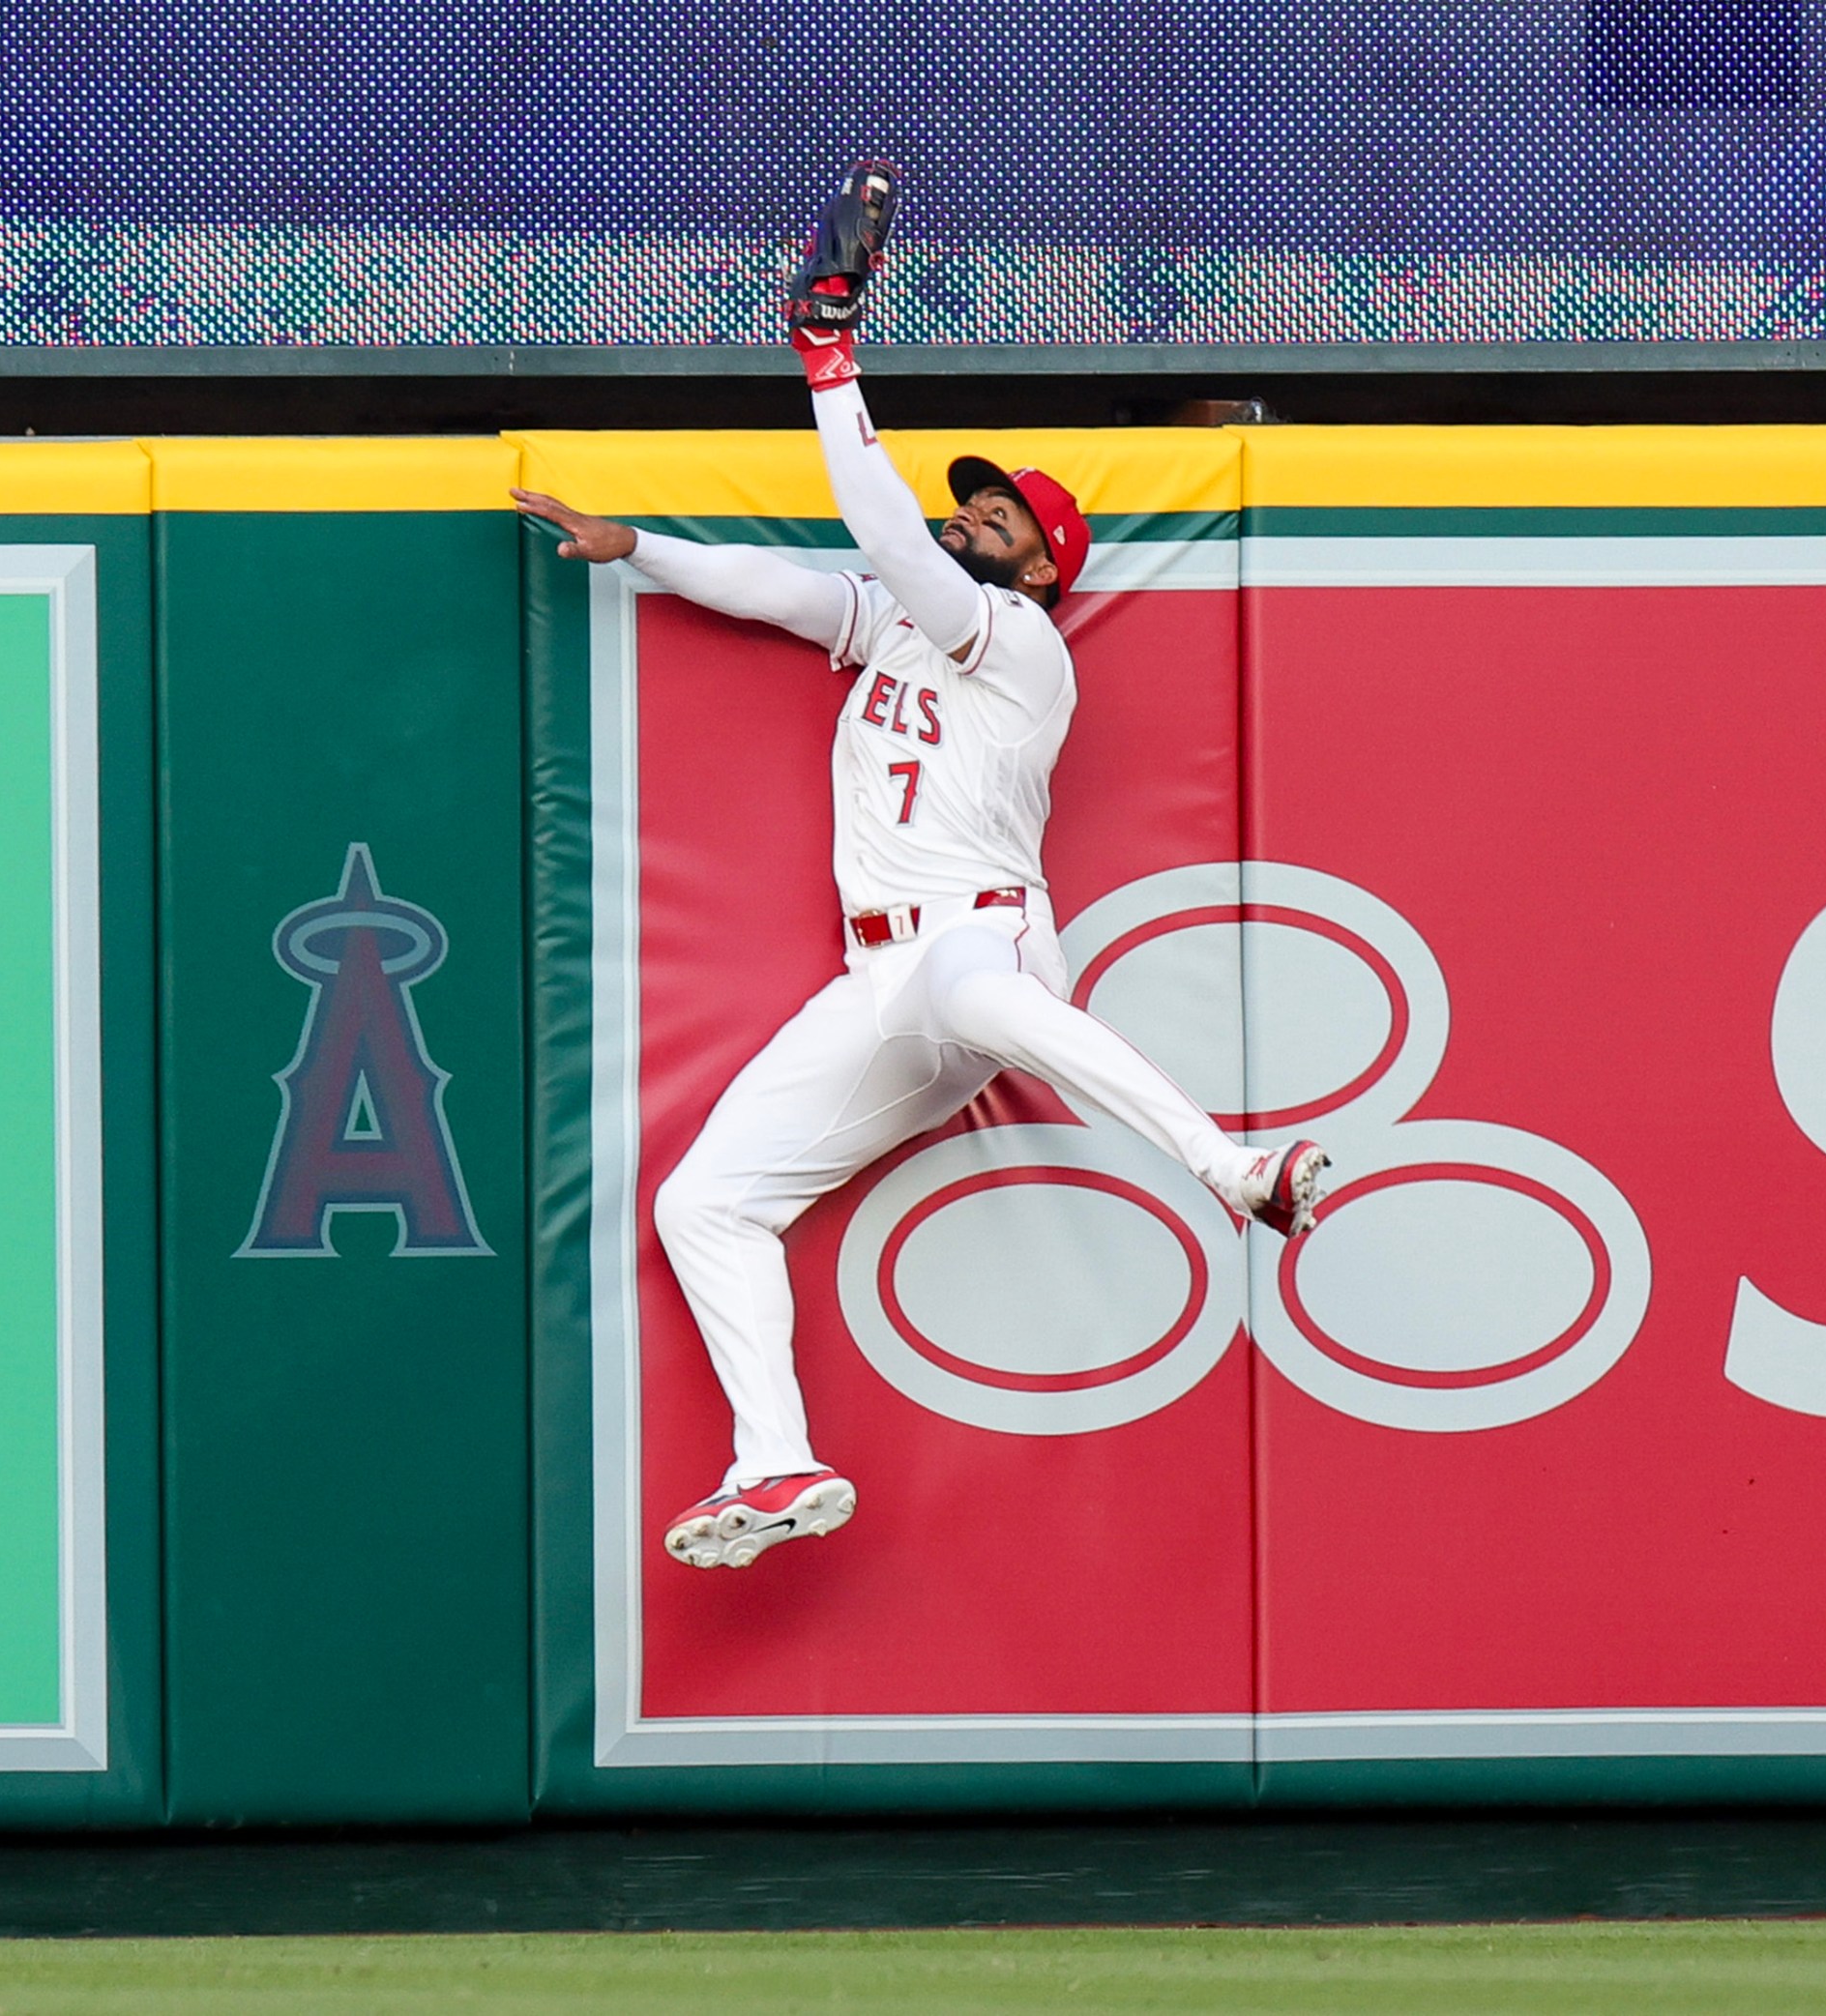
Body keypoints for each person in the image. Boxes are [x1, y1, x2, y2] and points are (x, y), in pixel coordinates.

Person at [511, 166, 1331, 1571]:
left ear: (1042, 569)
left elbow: (887, 527)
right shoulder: (902, 622)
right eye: (978, 503)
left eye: (1004, 515)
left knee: (986, 997)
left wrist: (831, 360)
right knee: (703, 1201)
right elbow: (800, 590)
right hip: (884, 976)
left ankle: (1232, 1161)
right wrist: (633, 546)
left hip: (985, 938)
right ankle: (774, 1463)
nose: (976, 513)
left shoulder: (1018, 645)